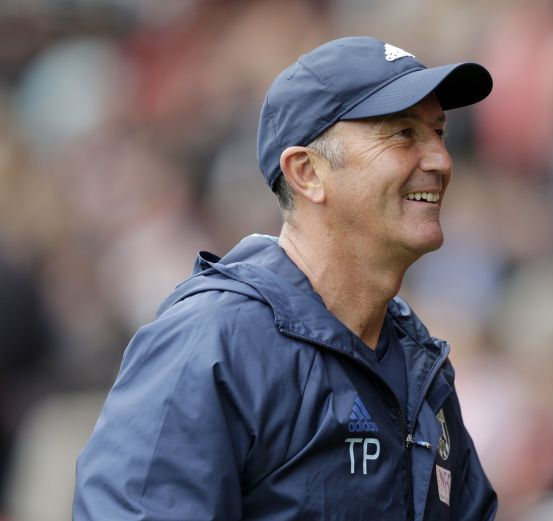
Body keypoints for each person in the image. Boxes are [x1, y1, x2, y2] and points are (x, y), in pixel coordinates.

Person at [73, 36, 496, 520]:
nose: (440, 159)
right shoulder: (215, 342)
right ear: (307, 173)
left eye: (438, 132)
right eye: (403, 133)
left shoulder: (421, 364)